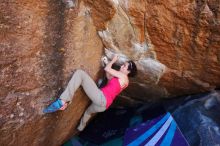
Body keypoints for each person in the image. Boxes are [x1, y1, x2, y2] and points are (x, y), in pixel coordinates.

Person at [43, 55, 137, 131]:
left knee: (80, 73)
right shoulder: (124, 80)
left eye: (124, 66)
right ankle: (81, 127)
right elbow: (109, 77)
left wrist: (113, 60)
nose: (121, 66)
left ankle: (63, 101)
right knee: (87, 112)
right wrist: (106, 63)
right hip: (104, 105)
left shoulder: (123, 76)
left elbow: (107, 69)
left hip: (101, 98)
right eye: (123, 64)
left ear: (128, 71)